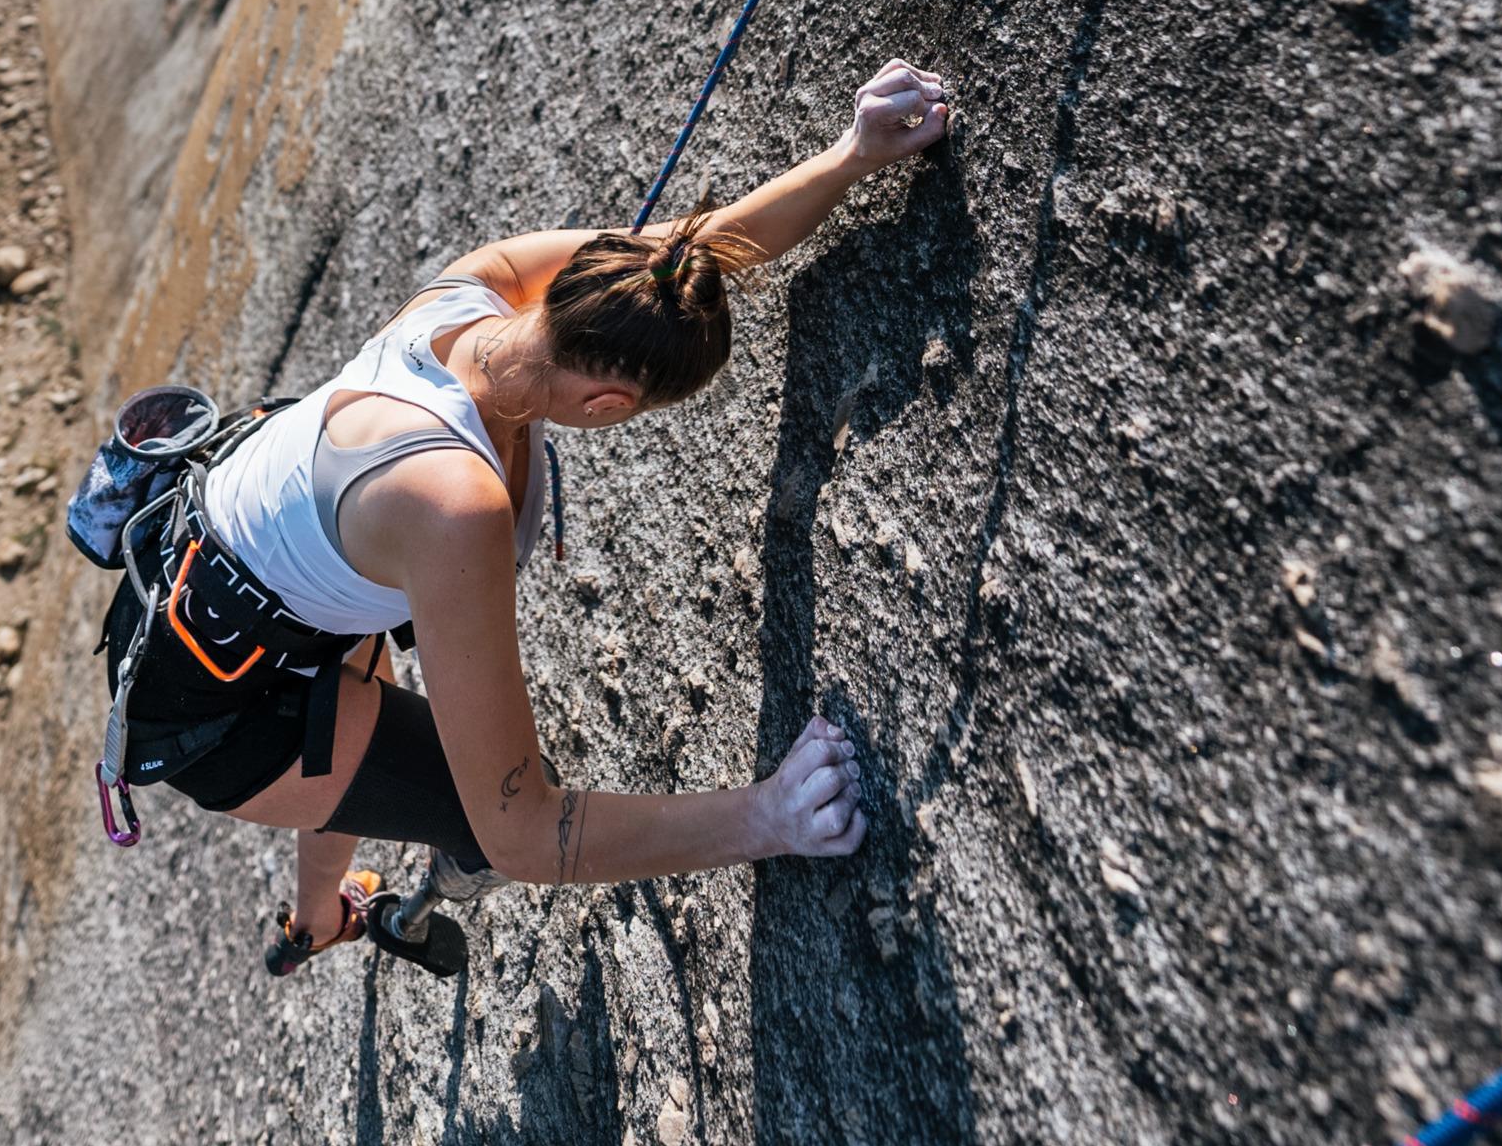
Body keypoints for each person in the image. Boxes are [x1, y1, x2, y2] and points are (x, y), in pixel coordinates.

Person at [102, 59, 950, 972]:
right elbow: (526, 833)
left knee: (355, 714)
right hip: (208, 710)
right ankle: (333, 907)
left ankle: (316, 918)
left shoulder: (484, 285)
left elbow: (695, 250)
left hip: (229, 583)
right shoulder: (450, 503)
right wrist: (770, 815)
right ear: (607, 408)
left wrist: (852, 155)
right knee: (470, 812)